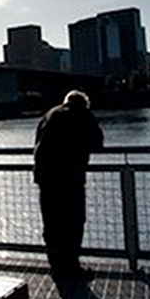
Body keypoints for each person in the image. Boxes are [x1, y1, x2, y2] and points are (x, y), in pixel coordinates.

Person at [33, 90, 105, 280]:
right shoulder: (82, 114)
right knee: (73, 222)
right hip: (70, 177)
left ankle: (56, 267)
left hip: (45, 177)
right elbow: (98, 142)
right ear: (84, 104)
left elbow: (36, 143)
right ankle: (72, 267)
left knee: (52, 223)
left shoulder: (49, 115)